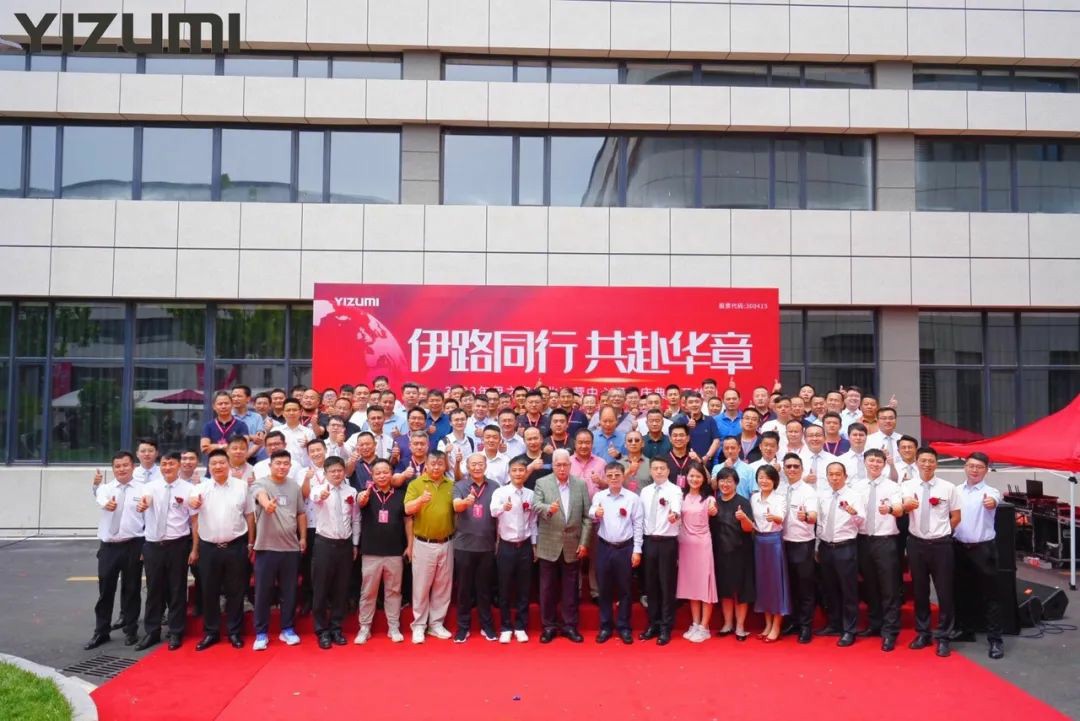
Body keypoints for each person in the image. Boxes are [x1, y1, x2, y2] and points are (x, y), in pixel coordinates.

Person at [189, 448, 255, 651]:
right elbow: (194, 520)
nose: (218, 466)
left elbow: (249, 515)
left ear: (229, 465)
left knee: (236, 591)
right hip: (209, 548)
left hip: (236, 546)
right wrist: (195, 549)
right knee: (209, 591)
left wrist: (251, 543)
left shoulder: (242, 486)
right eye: (214, 463)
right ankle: (211, 632)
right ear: (208, 467)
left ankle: (235, 632)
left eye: (222, 462)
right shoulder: (200, 489)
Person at [901, 447, 961, 657]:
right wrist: (906, 506)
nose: (927, 464)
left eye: (931, 461)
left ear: (936, 463)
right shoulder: (906, 486)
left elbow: (956, 517)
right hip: (916, 543)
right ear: (916, 462)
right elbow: (901, 510)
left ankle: (944, 636)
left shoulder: (948, 488)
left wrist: (942, 533)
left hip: (941, 545)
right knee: (920, 591)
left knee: (945, 591)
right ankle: (923, 633)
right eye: (923, 461)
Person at [135, 451, 197, 651]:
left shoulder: (189, 489)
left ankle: (176, 631)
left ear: (179, 466)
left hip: (178, 545)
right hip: (153, 545)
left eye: (171, 464)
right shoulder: (150, 486)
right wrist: (143, 504)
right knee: (154, 590)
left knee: (177, 589)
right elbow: (146, 499)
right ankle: (152, 632)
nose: (167, 467)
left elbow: (195, 521)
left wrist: (195, 549)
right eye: (164, 464)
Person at [85, 451, 146, 650]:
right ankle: (101, 631)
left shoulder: (144, 489)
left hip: (134, 545)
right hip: (109, 547)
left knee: (132, 589)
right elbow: (100, 499)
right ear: (113, 469)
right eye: (117, 466)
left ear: (133, 466)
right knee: (105, 590)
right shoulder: (106, 489)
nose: (121, 469)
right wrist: (107, 504)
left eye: (125, 465)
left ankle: (131, 629)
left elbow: (149, 517)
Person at [533, 449, 593, 643]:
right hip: (548, 544)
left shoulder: (580, 484)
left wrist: (584, 543)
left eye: (565, 465)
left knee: (571, 590)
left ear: (570, 465)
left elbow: (587, 517)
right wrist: (548, 509)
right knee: (547, 589)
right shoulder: (542, 482)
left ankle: (570, 626)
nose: (561, 468)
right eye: (558, 465)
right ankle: (549, 626)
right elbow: (536, 505)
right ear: (553, 465)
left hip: (572, 544)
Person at [251, 450, 307, 651]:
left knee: (289, 592)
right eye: (278, 463)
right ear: (270, 465)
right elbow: (260, 495)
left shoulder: (294, 487)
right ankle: (261, 633)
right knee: (263, 592)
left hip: (290, 548)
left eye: (286, 463)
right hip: (266, 548)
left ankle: (288, 629)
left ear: (290, 466)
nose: (282, 467)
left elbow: (301, 513)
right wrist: (267, 504)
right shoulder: (260, 484)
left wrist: (303, 537)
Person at [952, 452, 1004, 660]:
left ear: (986, 470)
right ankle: (966, 629)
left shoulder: (991, 492)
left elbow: (994, 501)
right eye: (971, 466)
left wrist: (992, 502)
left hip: (983, 550)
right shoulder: (955, 491)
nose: (974, 470)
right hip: (958, 547)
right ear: (965, 467)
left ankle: (995, 639)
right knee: (961, 592)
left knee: (991, 596)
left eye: (979, 467)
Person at [851, 448, 903, 651]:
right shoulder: (856, 487)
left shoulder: (892, 487)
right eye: (871, 460)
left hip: (885, 541)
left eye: (878, 461)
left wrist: (889, 509)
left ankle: (890, 631)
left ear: (884, 464)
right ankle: (874, 624)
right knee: (870, 585)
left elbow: (899, 510)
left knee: (889, 588)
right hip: (863, 540)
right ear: (865, 462)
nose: (874, 464)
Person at [587, 462, 643, 645]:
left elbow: (638, 525)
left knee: (625, 589)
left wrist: (637, 550)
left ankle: (624, 627)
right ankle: (605, 626)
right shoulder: (600, 496)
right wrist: (596, 513)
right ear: (605, 477)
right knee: (604, 589)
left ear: (623, 476)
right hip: (604, 547)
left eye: (617, 475)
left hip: (625, 548)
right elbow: (591, 512)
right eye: (609, 475)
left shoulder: (632, 498)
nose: (613, 478)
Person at [403, 450, 456, 644]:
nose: (436, 467)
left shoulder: (451, 485)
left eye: (440, 464)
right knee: (421, 586)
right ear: (426, 464)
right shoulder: (416, 484)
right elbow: (407, 509)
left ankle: (436, 624)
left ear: (445, 465)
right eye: (433, 463)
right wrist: (420, 500)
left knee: (443, 586)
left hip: (447, 542)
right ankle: (418, 625)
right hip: (423, 543)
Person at [355, 459, 408, 644]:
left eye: (386, 472)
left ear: (391, 474)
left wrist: (409, 545)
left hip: (395, 551)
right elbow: (360, 502)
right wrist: (362, 498)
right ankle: (364, 627)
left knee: (394, 591)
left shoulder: (401, 495)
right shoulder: (366, 493)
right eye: (378, 473)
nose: (382, 476)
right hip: (371, 552)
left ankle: (393, 626)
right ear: (372, 475)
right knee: (368, 592)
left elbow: (408, 520)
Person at [309, 456, 360, 650]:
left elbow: (356, 519)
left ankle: (336, 628)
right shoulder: (319, 489)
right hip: (324, 544)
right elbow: (315, 497)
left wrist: (355, 544)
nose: (337, 474)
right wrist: (322, 495)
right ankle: (321, 630)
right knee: (321, 589)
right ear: (326, 473)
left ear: (344, 471)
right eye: (332, 471)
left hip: (345, 545)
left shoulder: (351, 492)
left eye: (339, 470)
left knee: (341, 589)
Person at [490, 456, 539, 643]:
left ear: (526, 473)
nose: (518, 473)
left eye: (521, 470)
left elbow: (533, 522)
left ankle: (520, 626)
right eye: (514, 470)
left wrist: (534, 545)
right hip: (506, 546)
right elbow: (492, 511)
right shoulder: (501, 492)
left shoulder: (530, 494)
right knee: (504, 588)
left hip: (525, 545)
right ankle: (505, 627)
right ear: (509, 473)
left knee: (523, 588)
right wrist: (503, 507)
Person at [451, 453, 499, 642]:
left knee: (484, 589)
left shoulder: (494, 486)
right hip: (464, 545)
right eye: (473, 464)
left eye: (480, 464)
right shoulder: (460, 485)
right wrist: (465, 503)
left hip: (487, 545)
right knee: (464, 589)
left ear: (485, 465)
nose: (477, 467)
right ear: (467, 467)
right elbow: (456, 506)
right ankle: (463, 628)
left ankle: (487, 626)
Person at [816, 462, 864, 647]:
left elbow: (862, 521)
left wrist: (854, 513)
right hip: (826, 547)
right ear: (827, 476)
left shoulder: (854, 496)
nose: (834, 478)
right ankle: (834, 624)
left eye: (838, 474)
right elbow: (820, 522)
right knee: (830, 589)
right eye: (831, 474)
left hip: (845, 547)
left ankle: (849, 630)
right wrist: (817, 546)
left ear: (845, 476)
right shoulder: (823, 495)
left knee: (848, 590)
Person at [638, 457, 683, 645]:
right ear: (650, 471)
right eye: (655, 468)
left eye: (662, 468)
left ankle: (666, 627)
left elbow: (677, 509)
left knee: (666, 585)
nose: (658, 471)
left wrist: (674, 515)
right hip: (649, 542)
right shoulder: (645, 491)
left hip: (667, 543)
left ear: (668, 471)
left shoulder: (675, 490)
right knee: (651, 586)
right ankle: (653, 624)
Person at [711, 466, 755, 641]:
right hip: (720, 553)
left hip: (741, 553)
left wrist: (743, 518)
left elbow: (749, 529)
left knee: (740, 591)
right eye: (722, 480)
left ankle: (740, 626)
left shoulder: (743, 502)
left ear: (736, 483)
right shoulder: (715, 503)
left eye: (729, 481)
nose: (725, 484)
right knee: (725, 590)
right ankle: (728, 624)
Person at [676, 462, 718, 643]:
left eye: (698, 476)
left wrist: (713, 510)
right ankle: (695, 623)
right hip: (685, 545)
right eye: (691, 476)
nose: (694, 479)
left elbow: (714, 511)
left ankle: (704, 626)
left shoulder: (709, 499)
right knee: (691, 585)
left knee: (705, 586)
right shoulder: (681, 497)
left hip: (702, 546)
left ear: (704, 479)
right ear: (686, 477)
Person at [781, 453, 819, 644]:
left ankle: (806, 626)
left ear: (802, 469)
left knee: (805, 588)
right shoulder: (780, 489)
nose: (792, 469)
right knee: (790, 587)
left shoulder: (808, 491)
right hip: (782, 544)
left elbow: (813, 515)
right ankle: (793, 622)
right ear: (784, 469)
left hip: (803, 544)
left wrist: (807, 517)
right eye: (788, 466)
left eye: (796, 466)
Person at [749, 464, 789, 642]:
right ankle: (767, 624)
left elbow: (781, 517)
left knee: (775, 584)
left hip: (774, 542)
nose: (764, 481)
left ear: (775, 481)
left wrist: (775, 518)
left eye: (768, 478)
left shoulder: (779, 498)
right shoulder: (754, 498)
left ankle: (776, 625)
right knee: (763, 584)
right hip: (758, 542)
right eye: (761, 477)